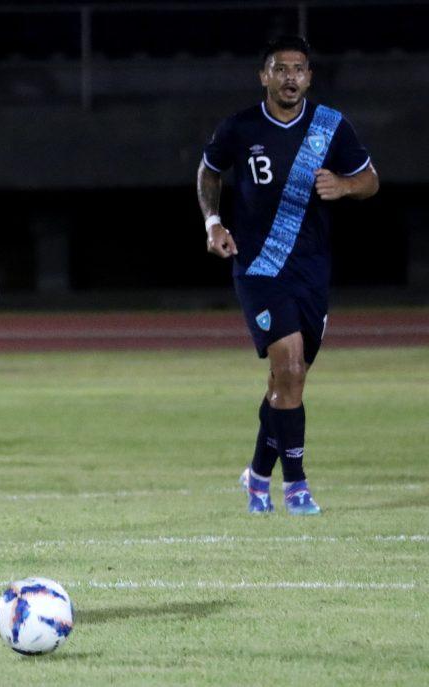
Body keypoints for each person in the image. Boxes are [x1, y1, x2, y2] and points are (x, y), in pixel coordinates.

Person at [197, 36, 378, 515]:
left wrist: (344, 185)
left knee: (286, 383)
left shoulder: (330, 126)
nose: (290, 77)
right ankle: (296, 486)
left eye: (299, 69)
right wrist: (213, 222)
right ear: (265, 76)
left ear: (309, 77)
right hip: (259, 267)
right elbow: (209, 170)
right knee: (290, 369)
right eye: (281, 69)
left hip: (311, 271)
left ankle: (257, 476)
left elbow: (370, 179)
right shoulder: (239, 127)